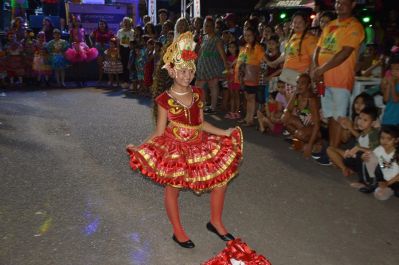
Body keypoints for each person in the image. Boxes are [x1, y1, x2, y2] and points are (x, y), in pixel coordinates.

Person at [126, 32, 243, 248]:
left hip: (199, 144)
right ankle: (177, 230)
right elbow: (160, 132)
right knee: (174, 187)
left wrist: (223, 133)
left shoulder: (198, 93)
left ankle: (215, 222)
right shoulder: (164, 99)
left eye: (190, 71)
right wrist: (140, 148)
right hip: (175, 148)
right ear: (171, 71)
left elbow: (201, 123)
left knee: (221, 180)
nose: (186, 75)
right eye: (181, 71)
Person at [312, 0, 365, 149]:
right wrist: (317, 69)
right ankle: (331, 149)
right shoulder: (330, 25)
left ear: (353, 4)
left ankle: (332, 151)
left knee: (338, 117)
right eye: (337, 2)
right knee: (329, 117)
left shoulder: (355, 26)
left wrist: (321, 69)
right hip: (324, 79)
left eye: (344, 2)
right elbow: (318, 48)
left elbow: (345, 52)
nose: (339, 5)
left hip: (341, 80)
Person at [327, 106, 379, 178]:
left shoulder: (373, 134)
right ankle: (344, 168)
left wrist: (359, 148)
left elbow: (375, 151)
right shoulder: (362, 133)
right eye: (360, 118)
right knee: (330, 149)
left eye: (365, 120)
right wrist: (350, 153)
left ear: (373, 123)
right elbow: (357, 146)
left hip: (365, 161)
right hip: (356, 159)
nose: (361, 122)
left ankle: (350, 169)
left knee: (357, 155)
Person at [282, 73, 321, 158]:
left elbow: (317, 125)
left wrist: (310, 144)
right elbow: (287, 110)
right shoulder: (297, 95)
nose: (299, 86)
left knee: (299, 133)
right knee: (285, 119)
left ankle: (314, 144)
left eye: (302, 83)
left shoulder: (311, 100)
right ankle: (299, 145)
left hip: (314, 130)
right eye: (297, 83)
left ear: (309, 85)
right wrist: (294, 94)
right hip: (303, 125)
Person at [196, 16, 228, 114]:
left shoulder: (217, 39)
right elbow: (200, 51)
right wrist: (195, 60)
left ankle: (212, 107)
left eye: (209, 26)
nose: (207, 27)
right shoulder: (205, 37)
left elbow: (222, 54)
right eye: (205, 25)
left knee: (212, 86)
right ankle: (204, 105)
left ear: (213, 26)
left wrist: (226, 66)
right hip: (203, 65)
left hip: (213, 65)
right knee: (198, 86)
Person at [235, 27, 265, 127]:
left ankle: (250, 119)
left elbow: (262, 60)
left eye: (249, 35)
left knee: (251, 98)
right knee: (247, 97)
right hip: (245, 76)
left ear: (254, 36)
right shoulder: (245, 46)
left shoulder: (257, 47)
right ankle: (247, 117)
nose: (247, 37)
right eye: (245, 35)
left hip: (252, 76)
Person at [361, 125, 399, 200]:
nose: (385, 141)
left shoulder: (397, 153)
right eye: (382, 138)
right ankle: (373, 183)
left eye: (389, 139)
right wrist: (363, 156)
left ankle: (390, 189)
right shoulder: (379, 149)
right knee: (370, 156)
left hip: (396, 181)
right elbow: (369, 155)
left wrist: (387, 183)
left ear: (396, 140)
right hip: (385, 178)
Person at [65, 15, 98, 87]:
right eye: (76, 21)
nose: (77, 23)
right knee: (76, 65)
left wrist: (87, 46)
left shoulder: (83, 29)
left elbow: (85, 38)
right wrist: (71, 47)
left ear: (80, 22)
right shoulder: (71, 30)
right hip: (75, 46)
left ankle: (84, 79)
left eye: (78, 21)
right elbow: (70, 39)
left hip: (83, 45)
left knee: (83, 64)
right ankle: (77, 80)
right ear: (73, 22)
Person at [380, 54, 399, 125]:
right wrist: (388, 85)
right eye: (392, 69)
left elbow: (395, 99)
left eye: (397, 69)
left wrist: (393, 85)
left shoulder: (394, 83)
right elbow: (385, 100)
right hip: (388, 118)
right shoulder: (392, 81)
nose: (394, 72)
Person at [224, 41, 241, 119]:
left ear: (236, 48)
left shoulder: (239, 57)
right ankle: (232, 111)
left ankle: (237, 112)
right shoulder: (228, 57)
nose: (231, 49)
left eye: (233, 47)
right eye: (229, 47)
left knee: (237, 95)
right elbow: (227, 69)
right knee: (232, 95)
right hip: (230, 78)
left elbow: (239, 69)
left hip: (237, 78)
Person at [116, 17, 134, 88]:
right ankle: (125, 81)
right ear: (123, 23)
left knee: (131, 66)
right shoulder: (120, 31)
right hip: (122, 49)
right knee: (124, 66)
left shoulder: (133, 31)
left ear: (130, 23)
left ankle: (132, 82)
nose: (126, 23)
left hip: (130, 49)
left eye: (127, 22)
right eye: (124, 22)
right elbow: (118, 43)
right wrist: (118, 52)